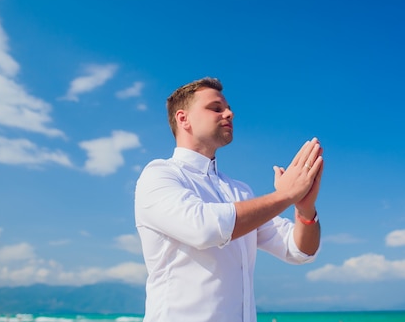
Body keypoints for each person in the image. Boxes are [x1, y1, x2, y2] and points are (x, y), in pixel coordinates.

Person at [134, 77, 323, 322]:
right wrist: (286, 195)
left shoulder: (240, 191)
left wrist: (305, 210)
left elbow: (298, 250)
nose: (230, 113)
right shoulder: (159, 175)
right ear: (183, 119)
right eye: (216, 108)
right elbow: (204, 229)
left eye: (229, 108)